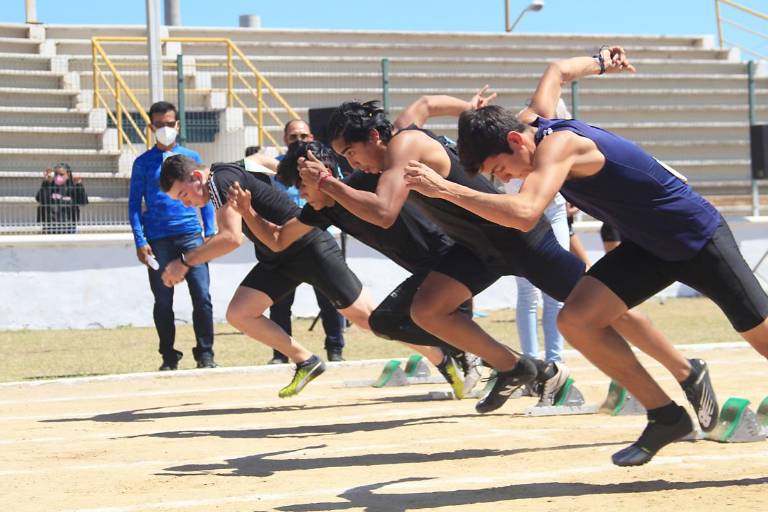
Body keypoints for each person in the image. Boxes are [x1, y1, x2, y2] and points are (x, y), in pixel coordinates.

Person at [403, 46, 764, 466]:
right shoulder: (530, 123)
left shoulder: (559, 147)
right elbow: (555, 70)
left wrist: (444, 189)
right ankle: (665, 416)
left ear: (515, 143)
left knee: (762, 339)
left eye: (499, 169)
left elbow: (523, 215)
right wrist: (600, 61)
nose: (502, 179)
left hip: (697, 238)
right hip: (648, 247)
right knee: (577, 318)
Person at [227, 139, 485, 397]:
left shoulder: (370, 181)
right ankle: (474, 356)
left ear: (321, 174)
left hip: (453, 261)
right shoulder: (321, 210)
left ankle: (489, 359)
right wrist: (248, 212)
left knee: (403, 321)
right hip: (427, 272)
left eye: (303, 186)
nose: (301, 195)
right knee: (386, 322)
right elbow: (279, 239)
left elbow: (399, 158)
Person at [158, 155, 376, 398]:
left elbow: (231, 237)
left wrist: (185, 262)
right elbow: (262, 160)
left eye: (183, 196)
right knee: (240, 313)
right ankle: (306, 360)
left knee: (366, 318)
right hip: (277, 257)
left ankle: (425, 342)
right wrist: (290, 178)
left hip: (306, 245)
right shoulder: (232, 168)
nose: (186, 205)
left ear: (197, 177)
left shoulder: (219, 181)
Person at [129, 101, 217, 371]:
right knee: (163, 300)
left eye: (169, 124)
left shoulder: (191, 157)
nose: (164, 129)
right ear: (151, 127)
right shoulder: (142, 163)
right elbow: (134, 205)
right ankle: (168, 356)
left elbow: (208, 195)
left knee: (201, 295)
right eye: (159, 125)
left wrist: (210, 231)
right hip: (157, 239)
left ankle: (205, 354)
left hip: (191, 234)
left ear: (177, 125)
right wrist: (140, 240)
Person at [261, 121, 348, 364]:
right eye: (292, 136)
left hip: (319, 238)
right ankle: (281, 354)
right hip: (286, 241)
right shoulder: (275, 167)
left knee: (331, 298)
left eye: (302, 135)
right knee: (279, 301)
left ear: (310, 136)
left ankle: (335, 348)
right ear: (284, 138)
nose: (297, 139)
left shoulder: (323, 164)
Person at [36, 163, 88, 234]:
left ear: (68, 174)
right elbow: (39, 199)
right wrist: (45, 183)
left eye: (61, 174)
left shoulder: (73, 186)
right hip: (50, 226)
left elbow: (83, 201)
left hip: (69, 226)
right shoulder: (50, 185)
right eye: (56, 174)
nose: (58, 176)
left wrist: (79, 185)